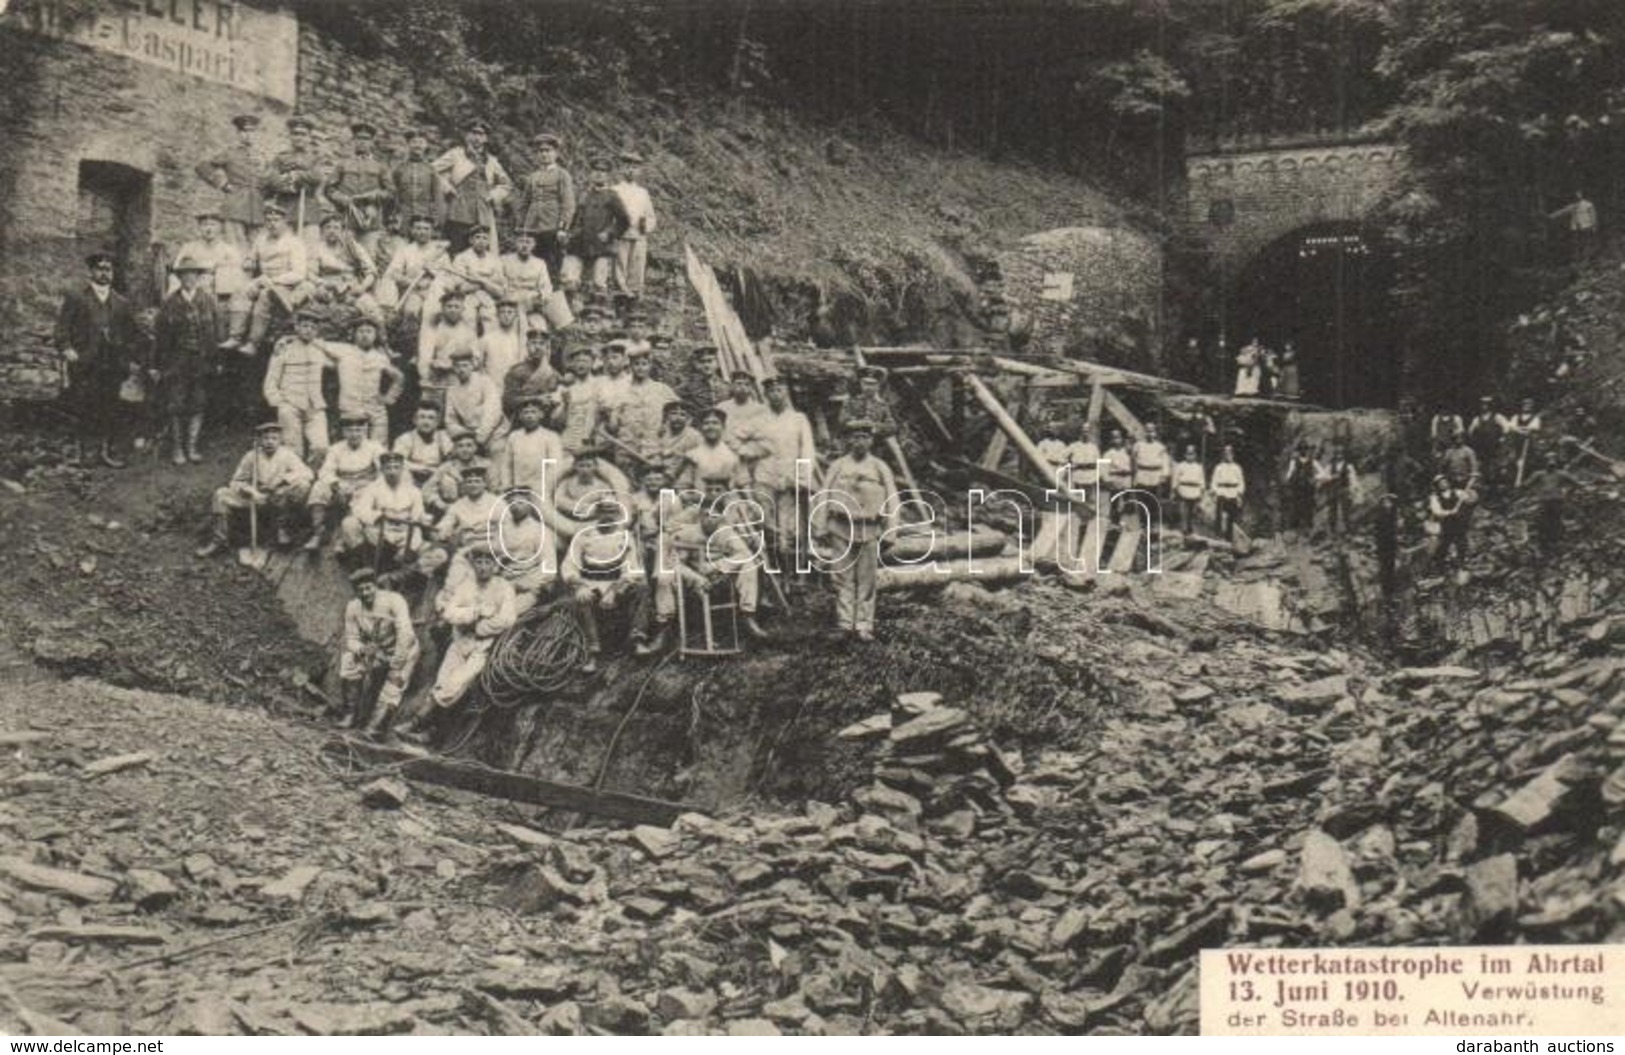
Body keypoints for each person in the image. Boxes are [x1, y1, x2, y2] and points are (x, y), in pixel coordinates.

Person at [408, 542, 515, 731]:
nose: (483, 567)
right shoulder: (466, 585)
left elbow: (507, 619)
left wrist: (480, 627)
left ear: (495, 566)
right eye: (479, 562)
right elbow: (449, 613)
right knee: (442, 681)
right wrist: (473, 614)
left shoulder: (504, 588)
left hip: (483, 647)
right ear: (473, 564)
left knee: (456, 685)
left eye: (487, 563)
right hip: (459, 642)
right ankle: (427, 731)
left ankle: (417, 723)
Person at [55, 251, 142, 468]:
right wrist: (67, 349)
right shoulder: (76, 298)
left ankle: (106, 452)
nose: (105, 273)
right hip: (85, 364)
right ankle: (86, 452)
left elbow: (133, 334)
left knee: (109, 408)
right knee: (85, 407)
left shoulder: (121, 302)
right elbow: (61, 330)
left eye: (109, 269)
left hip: (112, 365)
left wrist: (133, 356)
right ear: (91, 271)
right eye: (100, 268)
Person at [817, 421, 896, 642]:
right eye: (854, 437)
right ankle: (844, 623)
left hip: (869, 528)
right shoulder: (838, 465)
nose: (859, 441)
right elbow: (824, 494)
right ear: (848, 441)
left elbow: (892, 498)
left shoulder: (880, 467)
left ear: (871, 441)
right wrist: (820, 524)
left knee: (866, 579)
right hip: (841, 526)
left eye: (864, 437)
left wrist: (891, 531)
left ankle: (863, 625)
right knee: (842, 576)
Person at [197, 421, 315, 555]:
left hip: (278, 497)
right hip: (255, 498)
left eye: (274, 438)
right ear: (259, 440)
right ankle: (219, 541)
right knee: (221, 495)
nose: (270, 442)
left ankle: (283, 529)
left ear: (280, 440)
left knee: (303, 485)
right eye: (266, 438)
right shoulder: (251, 456)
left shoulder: (287, 455)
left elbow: (307, 473)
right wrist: (249, 490)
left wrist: (282, 481)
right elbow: (236, 481)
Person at [152, 251, 222, 465]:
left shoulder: (208, 300)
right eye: (184, 275)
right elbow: (160, 337)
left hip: (202, 361)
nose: (189, 278)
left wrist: (217, 360)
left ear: (198, 277)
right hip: (177, 361)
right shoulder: (169, 302)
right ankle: (177, 448)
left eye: (193, 274)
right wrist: (157, 365)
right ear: (179, 278)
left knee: (198, 403)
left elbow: (217, 333)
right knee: (176, 403)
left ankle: (192, 447)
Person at [561, 495, 644, 673]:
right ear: (596, 515)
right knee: (582, 600)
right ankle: (592, 652)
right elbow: (569, 565)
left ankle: (637, 640)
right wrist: (579, 585)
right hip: (590, 581)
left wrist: (615, 589)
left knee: (641, 589)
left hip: (616, 580)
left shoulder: (625, 536)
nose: (607, 517)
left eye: (612, 512)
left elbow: (632, 568)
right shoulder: (584, 536)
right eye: (603, 512)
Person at [743, 376, 816, 567]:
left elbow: (807, 450)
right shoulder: (759, 420)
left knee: (789, 526)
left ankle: (792, 570)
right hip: (764, 477)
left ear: (786, 393)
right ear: (766, 395)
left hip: (789, 478)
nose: (776, 395)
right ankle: (771, 567)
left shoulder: (798, 419)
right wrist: (751, 453)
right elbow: (735, 437)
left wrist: (801, 478)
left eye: (780, 390)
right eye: (771, 391)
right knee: (767, 524)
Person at [338, 567, 419, 735]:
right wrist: (362, 649)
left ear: (376, 586)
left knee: (394, 684)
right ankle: (350, 714)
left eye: (368, 588)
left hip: (403, 648)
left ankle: (374, 728)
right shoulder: (353, 607)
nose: (365, 593)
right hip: (379, 650)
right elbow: (351, 638)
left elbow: (406, 632)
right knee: (349, 660)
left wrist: (398, 658)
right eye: (360, 590)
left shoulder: (393, 600)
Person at [222, 201, 311, 352]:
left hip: (286, 285)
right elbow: (251, 258)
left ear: (284, 222)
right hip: (263, 280)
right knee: (241, 290)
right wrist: (249, 262)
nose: (272, 224)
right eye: (268, 220)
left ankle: (253, 342)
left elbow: (298, 274)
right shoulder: (261, 239)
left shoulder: (294, 243)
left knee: (265, 296)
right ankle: (235, 337)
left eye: (276, 220)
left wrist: (273, 281)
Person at [261, 308, 333, 463]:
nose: (309, 330)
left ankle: (312, 477)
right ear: (297, 327)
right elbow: (271, 380)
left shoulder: (320, 348)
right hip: (290, 404)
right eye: (305, 326)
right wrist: (279, 403)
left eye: (313, 328)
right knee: (293, 450)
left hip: (315, 405)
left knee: (322, 447)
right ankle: (297, 480)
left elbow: (341, 359)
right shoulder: (284, 348)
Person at [432, 118, 511, 255]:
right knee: (455, 250)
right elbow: (431, 169)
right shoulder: (456, 154)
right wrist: (446, 186)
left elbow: (506, 184)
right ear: (467, 136)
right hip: (458, 211)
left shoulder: (491, 161)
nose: (477, 138)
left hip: (482, 213)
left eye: (481, 134)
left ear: (486, 138)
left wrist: (494, 195)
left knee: (480, 252)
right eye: (473, 133)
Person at [307, 415, 385, 551]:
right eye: (349, 430)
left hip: (365, 484)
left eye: (358, 430)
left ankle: (343, 539)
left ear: (365, 430)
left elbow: (383, 471)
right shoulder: (336, 448)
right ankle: (317, 533)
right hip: (342, 483)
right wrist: (336, 486)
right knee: (319, 487)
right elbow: (326, 471)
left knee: (363, 496)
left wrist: (370, 487)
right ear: (343, 432)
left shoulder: (374, 447)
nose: (354, 434)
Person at [341, 450, 427, 571]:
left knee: (415, 542)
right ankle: (364, 564)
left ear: (402, 469)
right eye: (388, 468)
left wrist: (414, 519)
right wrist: (377, 516)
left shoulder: (413, 491)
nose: (392, 472)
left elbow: (418, 513)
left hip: (405, 530)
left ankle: (397, 568)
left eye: (396, 467)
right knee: (350, 523)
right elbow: (361, 510)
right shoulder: (372, 489)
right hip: (382, 529)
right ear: (381, 470)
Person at [323, 318, 403, 445]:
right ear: (354, 334)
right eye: (361, 331)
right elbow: (316, 343)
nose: (365, 335)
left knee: (379, 445)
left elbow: (398, 377)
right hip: (350, 406)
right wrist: (289, 339)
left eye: (369, 331)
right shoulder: (343, 350)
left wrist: (389, 398)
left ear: (375, 335)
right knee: (354, 444)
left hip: (375, 407)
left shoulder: (380, 357)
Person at [195, 114, 266, 250]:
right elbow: (202, 166)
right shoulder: (230, 153)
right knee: (236, 248)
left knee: (257, 248)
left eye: (252, 132)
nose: (248, 135)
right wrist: (223, 184)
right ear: (239, 134)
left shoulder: (262, 156)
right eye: (244, 131)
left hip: (257, 208)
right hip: (235, 206)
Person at [327, 122, 394, 256]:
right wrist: (342, 199)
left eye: (366, 139)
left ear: (372, 143)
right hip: (346, 217)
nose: (362, 142)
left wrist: (373, 198)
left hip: (370, 219)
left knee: (368, 259)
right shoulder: (342, 164)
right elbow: (329, 189)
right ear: (354, 141)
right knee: (345, 256)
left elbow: (390, 192)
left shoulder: (380, 166)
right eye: (359, 138)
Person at [516, 133, 576, 278]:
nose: (544, 154)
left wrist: (562, 227)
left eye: (548, 150)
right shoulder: (533, 176)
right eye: (540, 151)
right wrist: (521, 224)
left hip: (552, 226)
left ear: (556, 153)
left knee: (552, 263)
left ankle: (553, 295)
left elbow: (568, 203)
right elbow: (525, 203)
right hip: (532, 226)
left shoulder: (562, 174)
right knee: (532, 262)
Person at [376, 214, 449, 330]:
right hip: (413, 290)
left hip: (436, 290)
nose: (422, 232)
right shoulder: (405, 250)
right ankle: (410, 343)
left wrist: (431, 280)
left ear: (432, 231)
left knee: (435, 312)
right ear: (412, 230)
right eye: (418, 228)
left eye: (426, 229)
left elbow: (447, 275)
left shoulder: (440, 251)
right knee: (411, 310)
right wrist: (411, 282)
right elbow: (393, 273)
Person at [569, 157, 628, 295]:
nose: (599, 174)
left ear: (608, 175)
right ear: (591, 173)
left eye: (603, 171)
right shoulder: (583, 194)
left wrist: (610, 233)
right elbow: (574, 217)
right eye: (596, 170)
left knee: (599, 284)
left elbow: (624, 220)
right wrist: (570, 233)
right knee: (571, 281)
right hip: (580, 244)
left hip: (601, 246)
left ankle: (598, 313)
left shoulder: (612, 196)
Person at [612, 344, 679, 464]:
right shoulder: (621, 391)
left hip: (654, 447)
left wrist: (667, 430)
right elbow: (613, 422)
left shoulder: (662, 389)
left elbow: (678, 413)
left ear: (650, 366)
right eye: (636, 364)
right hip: (627, 448)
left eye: (644, 364)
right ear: (630, 367)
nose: (640, 368)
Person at [310, 212, 382, 324]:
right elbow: (310, 273)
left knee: (372, 309)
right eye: (327, 227)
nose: (332, 231)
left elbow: (371, 271)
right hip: (328, 287)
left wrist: (362, 287)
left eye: (336, 227)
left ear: (342, 231)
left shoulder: (352, 247)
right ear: (322, 231)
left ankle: (382, 339)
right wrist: (321, 284)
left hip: (351, 287)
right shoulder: (317, 248)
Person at [494, 490, 556, 614]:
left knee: (504, 615)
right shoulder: (502, 529)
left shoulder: (539, 530)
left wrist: (524, 584)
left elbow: (549, 567)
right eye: (511, 503)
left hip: (529, 586)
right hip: (503, 583)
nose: (516, 507)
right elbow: (494, 558)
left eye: (520, 503)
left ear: (529, 504)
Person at [261, 115, 323, 233]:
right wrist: (287, 183)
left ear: (309, 137)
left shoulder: (316, 158)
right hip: (285, 209)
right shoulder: (280, 157)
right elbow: (271, 179)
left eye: (303, 134)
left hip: (308, 211)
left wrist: (296, 175)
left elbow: (317, 176)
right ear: (290, 136)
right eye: (295, 134)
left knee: (308, 248)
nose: (299, 137)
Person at [417, 290, 480, 408]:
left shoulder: (469, 332)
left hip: (461, 382)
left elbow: (476, 360)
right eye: (449, 306)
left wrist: (459, 367)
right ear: (442, 308)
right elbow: (424, 360)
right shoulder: (433, 330)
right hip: (437, 382)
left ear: (462, 309)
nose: (453, 309)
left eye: (457, 306)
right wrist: (432, 369)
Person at [495, 396, 564, 494]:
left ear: (541, 415)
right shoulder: (514, 437)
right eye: (525, 412)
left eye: (533, 412)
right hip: (517, 489)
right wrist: (507, 485)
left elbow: (555, 467)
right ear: (520, 416)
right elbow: (506, 465)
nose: (529, 416)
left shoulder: (551, 437)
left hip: (542, 489)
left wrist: (543, 488)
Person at [443, 348, 506, 453]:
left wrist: (479, 438)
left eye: (465, 365)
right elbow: (450, 420)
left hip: (494, 432)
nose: (461, 370)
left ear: (472, 365)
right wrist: (466, 436)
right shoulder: (452, 390)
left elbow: (492, 413)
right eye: (457, 366)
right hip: (468, 434)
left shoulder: (485, 382)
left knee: (496, 450)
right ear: (453, 368)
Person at [612, 150, 656, 300]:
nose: (630, 170)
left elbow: (651, 216)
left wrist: (646, 226)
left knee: (636, 269)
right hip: (621, 235)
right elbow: (610, 215)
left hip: (639, 236)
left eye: (634, 167)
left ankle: (635, 300)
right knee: (620, 266)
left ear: (639, 171)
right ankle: (620, 296)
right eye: (627, 166)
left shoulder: (643, 193)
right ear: (621, 168)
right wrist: (614, 229)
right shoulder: (615, 190)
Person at [1522, 456, 1579, 556]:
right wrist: (1526, 487)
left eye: (1552, 461)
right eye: (1548, 461)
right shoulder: (1539, 474)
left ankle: (1556, 542)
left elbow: (1576, 483)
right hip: (1545, 500)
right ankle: (1546, 543)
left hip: (1556, 500)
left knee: (1555, 520)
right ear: (1544, 463)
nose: (1550, 463)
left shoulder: (1562, 474)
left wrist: (1569, 493)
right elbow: (1526, 484)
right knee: (1544, 520)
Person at [502, 329, 563, 421]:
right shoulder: (516, 372)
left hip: (546, 422)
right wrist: (536, 399)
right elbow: (508, 401)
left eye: (541, 343)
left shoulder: (553, 374)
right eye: (533, 343)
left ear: (547, 348)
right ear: (527, 346)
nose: (537, 347)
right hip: (521, 421)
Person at [391, 129, 442, 234]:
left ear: (426, 146)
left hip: (424, 218)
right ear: (408, 145)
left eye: (421, 142)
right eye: (414, 142)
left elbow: (437, 196)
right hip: (403, 218)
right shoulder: (399, 168)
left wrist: (436, 218)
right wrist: (392, 217)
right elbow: (393, 194)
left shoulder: (431, 169)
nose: (417, 146)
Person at [679, 408, 743, 491]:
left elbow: (743, 484)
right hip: (699, 500)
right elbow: (682, 486)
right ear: (700, 428)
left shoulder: (733, 454)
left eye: (715, 423)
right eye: (706, 423)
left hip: (727, 500)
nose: (711, 427)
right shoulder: (692, 455)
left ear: (723, 427)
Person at [394, 403, 455, 491]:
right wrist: (422, 468)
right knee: (403, 476)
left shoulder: (443, 437)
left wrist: (438, 471)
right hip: (413, 475)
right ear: (414, 420)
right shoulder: (406, 438)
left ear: (437, 422)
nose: (426, 422)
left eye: (431, 418)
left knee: (448, 481)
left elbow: (452, 460)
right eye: (422, 417)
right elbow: (399, 461)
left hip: (435, 475)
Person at [426, 431, 489, 515]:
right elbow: (427, 489)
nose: (465, 450)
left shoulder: (486, 465)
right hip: (452, 508)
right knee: (447, 480)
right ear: (455, 449)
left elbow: (496, 490)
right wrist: (441, 504)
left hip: (480, 507)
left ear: (475, 448)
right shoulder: (447, 467)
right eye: (460, 446)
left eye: (469, 445)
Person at [499, 229, 554, 325]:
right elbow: (499, 283)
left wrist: (541, 297)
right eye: (521, 241)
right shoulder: (504, 260)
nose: (524, 245)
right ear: (515, 243)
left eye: (528, 242)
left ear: (534, 245)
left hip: (531, 304)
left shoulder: (539, 263)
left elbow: (546, 286)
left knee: (539, 326)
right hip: (509, 303)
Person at [837, 366, 897, 442]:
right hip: (852, 440)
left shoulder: (882, 405)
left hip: (876, 441)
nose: (869, 387)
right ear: (861, 384)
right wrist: (859, 423)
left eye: (872, 384)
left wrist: (875, 426)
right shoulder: (850, 402)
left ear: (878, 386)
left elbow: (892, 427)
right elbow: (842, 422)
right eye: (866, 384)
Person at [479, 298, 526, 392]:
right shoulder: (487, 339)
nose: (506, 316)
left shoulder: (520, 341)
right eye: (502, 312)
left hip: (514, 389)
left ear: (515, 315)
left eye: (510, 312)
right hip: (492, 389)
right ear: (497, 315)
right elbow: (479, 366)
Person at [714, 372, 768, 452]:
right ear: (731, 386)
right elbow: (717, 433)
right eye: (739, 384)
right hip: (728, 450)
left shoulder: (761, 410)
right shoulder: (721, 408)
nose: (743, 387)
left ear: (751, 388)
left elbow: (764, 435)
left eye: (747, 384)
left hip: (753, 451)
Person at [1428, 475, 1469, 568]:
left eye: (1445, 482)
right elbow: (1436, 511)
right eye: (1440, 484)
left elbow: (1469, 499)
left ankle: (1462, 561)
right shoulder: (1435, 497)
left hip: (1459, 521)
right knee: (1445, 542)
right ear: (1437, 486)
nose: (1443, 484)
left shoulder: (1458, 492)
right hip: (1447, 522)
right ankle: (1438, 563)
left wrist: (1467, 496)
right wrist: (1449, 512)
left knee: (1461, 541)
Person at [1466, 396, 1505, 493]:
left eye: (1487, 404)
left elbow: (1507, 427)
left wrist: (1502, 438)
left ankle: (1495, 489)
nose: (1484, 406)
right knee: (1482, 467)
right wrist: (1475, 440)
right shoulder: (1477, 419)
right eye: (1482, 404)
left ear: (1491, 406)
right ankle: (1483, 490)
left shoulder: (1497, 416)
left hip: (1494, 447)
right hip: (1482, 447)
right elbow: (1470, 431)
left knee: (1494, 468)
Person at [1316, 443, 1355, 536]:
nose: (1339, 456)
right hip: (1333, 490)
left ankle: (1348, 529)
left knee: (1346, 509)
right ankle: (1332, 530)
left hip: (1344, 489)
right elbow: (1323, 477)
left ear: (1344, 455)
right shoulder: (1330, 466)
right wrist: (1331, 478)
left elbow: (1353, 478)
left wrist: (1353, 489)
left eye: (1341, 454)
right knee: (1332, 510)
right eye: (1337, 454)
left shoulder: (1348, 466)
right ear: (1335, 455)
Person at [1501, 398, 1542, 485]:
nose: (1526, 407)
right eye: (1525, 405)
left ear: (1532, 407)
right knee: (1513, 461)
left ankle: (1526, 482)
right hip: (1516, 443)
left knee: (1527, 462)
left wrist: (1520, 429)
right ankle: (1512, 482)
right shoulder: (1516, 417)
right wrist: (1521, 430)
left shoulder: (1535, 418)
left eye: (1529, 405)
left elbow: (1534, 428)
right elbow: (1511, 427)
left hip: (1528, 444)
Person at [1549, 190, 1598, 262]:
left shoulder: (1588, 204)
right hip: (1575, 227)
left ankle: (1586, 259)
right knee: (1576, 244)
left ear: (1581, 195)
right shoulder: (1571, 206)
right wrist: (1552, 216)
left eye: (1579, 194)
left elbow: (1593, 215)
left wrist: (1594, 226)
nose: (1577, 196)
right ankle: (1577, 259)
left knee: (1586, 243)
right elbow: (1562, 212)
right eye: (1576, 195)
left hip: (1586, 226)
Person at [655, 400, 703, 474]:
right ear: (667, 416)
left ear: (688, 419)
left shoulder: (694, 436)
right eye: (673, 413)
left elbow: (699, 461)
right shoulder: (661, 432)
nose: (678, 418)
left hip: (684, 475)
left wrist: (676, 454)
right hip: (659, 472)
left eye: (683, 415)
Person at [1210, 444, 1245, 541]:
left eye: (1230, 453)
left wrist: (1239, 494)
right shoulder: (1219, 467)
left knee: (1232, 516)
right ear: (1223, 455)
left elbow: (1241, 482)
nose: (1228, 455)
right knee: (1220, 516)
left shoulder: (1237, 468)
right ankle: (1218, 535)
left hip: (1233, 492)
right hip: (1222, 492)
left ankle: (1230, 536)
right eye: (1226, 453)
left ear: (1233, 454)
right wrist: (1215, 492)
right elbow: (1214, 481)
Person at [1283, 441, 1318, 534]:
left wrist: (1314, 478)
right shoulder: (1294, 461)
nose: (1303, 451)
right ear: (1299, 451)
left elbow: (1321, 471)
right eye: (1301, 449)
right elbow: (1290, 472)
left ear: (1307, 450)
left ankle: (1308, 527)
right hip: (1298, 486)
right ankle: (1296, 528)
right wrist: (1287, 480)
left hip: (1308, 487)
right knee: (1296, 505)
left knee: (1309, 506)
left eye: (1305, 449)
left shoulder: (1312, 461)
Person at [1170, 445, 1205, 535]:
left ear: (1195, 455)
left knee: (1193, 512)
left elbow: (1201, 480)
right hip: (1183, 490)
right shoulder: (1180, 466)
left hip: (1195, 491)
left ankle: (1192, 529)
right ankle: (1184, 529)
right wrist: (1174, 490)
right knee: (1184, 512)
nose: (1190, 456)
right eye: (1188, 454)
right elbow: (1175, 479)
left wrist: (1202, 492)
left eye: (1192, 454)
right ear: (1185, 455)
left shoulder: (1198, 467)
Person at [1130, 423, 1170, 501]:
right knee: (1142, 501)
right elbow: (1133, 460)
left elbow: (1165, 463)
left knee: (1154, 501)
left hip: (1155, 476)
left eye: (1151, 431)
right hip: (1142, 475)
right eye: (1147, 431)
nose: (1149, 434)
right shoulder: (1138, 445)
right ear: (1144, 432)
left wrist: (1164, 475)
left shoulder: (1160, 447)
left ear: (1155, 433)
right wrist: (1134, 475)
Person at [1373, 493, 1399, 600]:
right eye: (1386, 502)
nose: (1388, 504)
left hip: (1391, 545)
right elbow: (1380, 533)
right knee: (1386, 567)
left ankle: (1391, 588)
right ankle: (1387, 591)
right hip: (1384, 546)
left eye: (1390, 502)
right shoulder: (1380, 517)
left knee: (1391, 566)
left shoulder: (1393, 515)